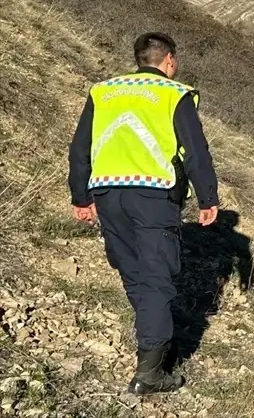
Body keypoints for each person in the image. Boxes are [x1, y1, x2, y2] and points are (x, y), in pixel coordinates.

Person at [68, 32, 219, 395]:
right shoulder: (174, 93)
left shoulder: (103, 91)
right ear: (168, 60)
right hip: (152, 194)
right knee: (156, 278)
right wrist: (207, 197)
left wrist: (80, 195)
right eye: (175, 61)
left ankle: (151, 338)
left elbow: (80, 147)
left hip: (106, 193)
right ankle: (150, 370)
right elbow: (195, 150)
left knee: (133, 270)